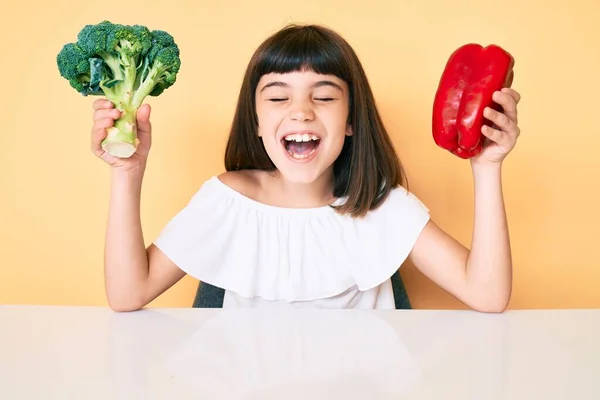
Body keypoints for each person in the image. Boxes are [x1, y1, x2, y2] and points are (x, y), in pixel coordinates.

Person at [91, 24, 521, 312]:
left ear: (352, 121)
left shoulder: (382, 206)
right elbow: (128, 294)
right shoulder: (227, 200)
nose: (301, 112)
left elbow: (487, 295)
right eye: (278, 98)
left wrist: (486, 167)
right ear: (257, 122)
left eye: (325, 96)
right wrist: (127, 174)